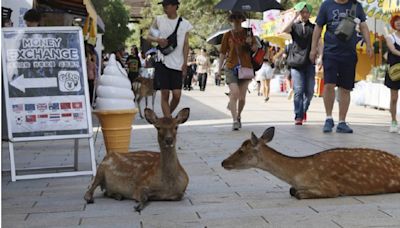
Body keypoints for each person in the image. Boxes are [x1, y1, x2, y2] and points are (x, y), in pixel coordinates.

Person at [310, 0, 372, 133]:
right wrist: (313, 49)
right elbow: (318, 27)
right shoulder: (327, 5)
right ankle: (328, 118)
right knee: (328, 85)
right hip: (330, 52)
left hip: (349, 53)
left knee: (345, 88)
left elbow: (363, 26)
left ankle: (342, 122)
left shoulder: (356, 5)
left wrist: (369, 45)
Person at [147, 0, 192, 117]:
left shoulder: (185, 24)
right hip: (162, 61)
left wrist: (185, 63)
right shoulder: (159, 20)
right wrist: (158, 40)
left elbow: (186, 44)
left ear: (175, 6)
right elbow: (149, 36)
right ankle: (168, 119)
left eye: (166, 5)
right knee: (165, 93)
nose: (164, 8)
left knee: (177, 95)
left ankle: (167, 116)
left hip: (178, 63)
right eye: (163, 5)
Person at [218, 11, 258, 131]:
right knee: (234, 93)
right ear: (231, 19)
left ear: (242, 19)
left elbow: (255, 48)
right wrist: (219, 69)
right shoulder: (227, 35)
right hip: (231, 66)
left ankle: (239, 115)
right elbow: (222, 52)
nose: (236, 19)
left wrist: (251, 43)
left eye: (239, 17)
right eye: (234, 17)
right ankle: (234, 120)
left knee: (242, 97)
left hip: (246, 67)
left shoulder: (248, 32)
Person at [282, 2, 315, 125]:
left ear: (310, 14)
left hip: (309, 63)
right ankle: (298, 116)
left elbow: (319, 43)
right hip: (296, 63)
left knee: (310, 91)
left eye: (307, 12)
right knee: (298, 90)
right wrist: (294, 17)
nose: (304, 14)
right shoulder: (294, 26)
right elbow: (284, 29)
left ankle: (303, 110)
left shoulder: (314, 27)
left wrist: (320, 56)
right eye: (302, 12)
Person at [385, 14, 400, 133]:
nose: (399, 23)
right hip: (394, 71)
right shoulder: (390, 37)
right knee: (394, 98)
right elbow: (393, 50)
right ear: (393, 24)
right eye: (396, 21)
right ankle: (393, 121)